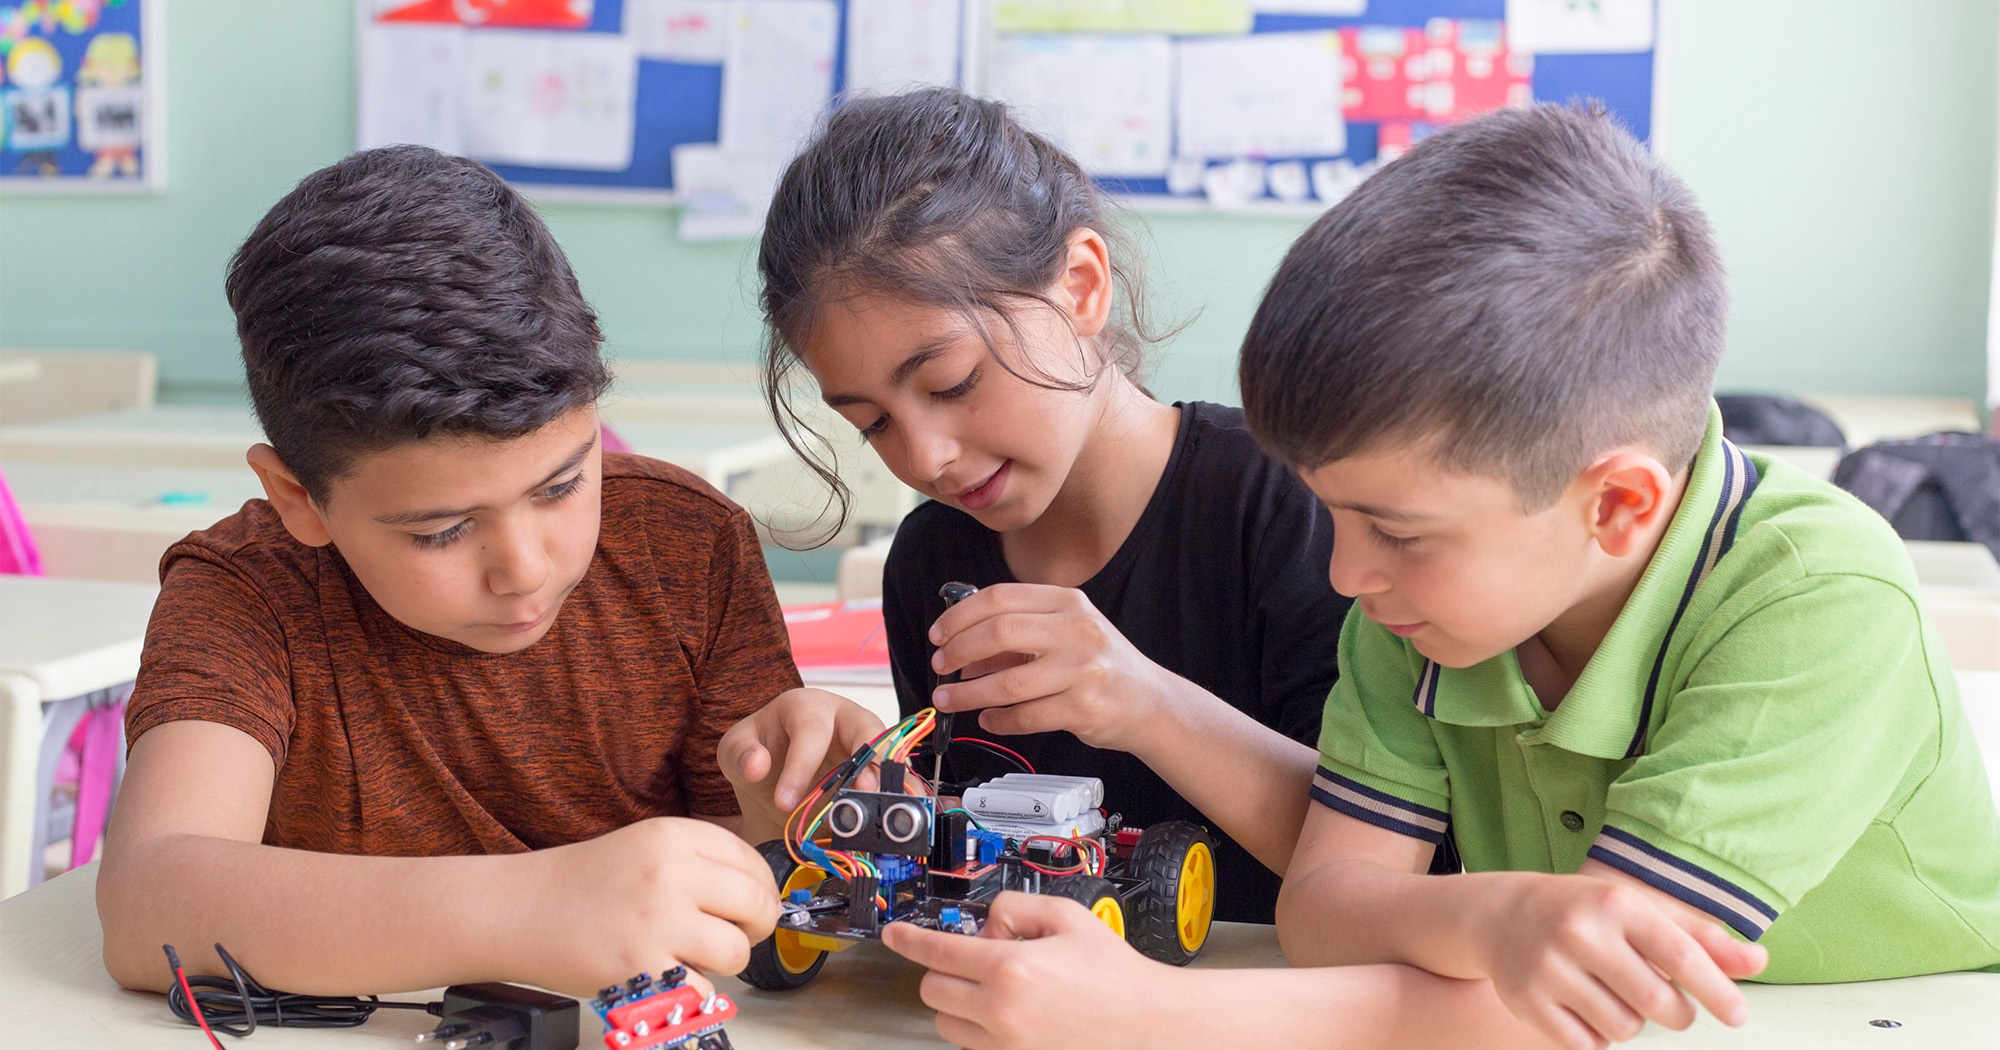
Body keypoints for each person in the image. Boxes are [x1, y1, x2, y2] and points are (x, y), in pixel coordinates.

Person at [879, 102, 2000, 1050]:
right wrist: (1497, 921)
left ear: (1613, 506)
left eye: (1394, 529)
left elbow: (1593, 999)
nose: (1345, 570)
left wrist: (1160, 1014)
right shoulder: (1415, 607)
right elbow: (1326, 908)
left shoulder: (1816, 594)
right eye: (1329, 511)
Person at [95, 146, 876, 998]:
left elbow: (747, 898)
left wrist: (785, 818)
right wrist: (530, 910)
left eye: (565, 484)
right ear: (298, 497)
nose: (525, 569)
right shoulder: (244, 593)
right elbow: (146, 908)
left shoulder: (687, 545)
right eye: (441, 530)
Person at [724, 87, 1351, 924]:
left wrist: (1145, 704)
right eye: (871, 423)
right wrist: (846, 794)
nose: (924, 458)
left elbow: (1400, 865)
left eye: (952, 383)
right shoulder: (932, 560)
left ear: (1081, 286)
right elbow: (963, 870)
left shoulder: (1288, 504)